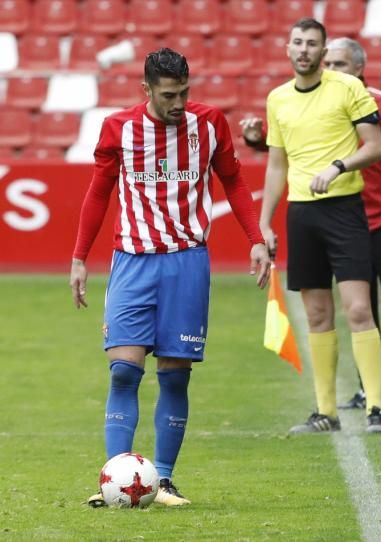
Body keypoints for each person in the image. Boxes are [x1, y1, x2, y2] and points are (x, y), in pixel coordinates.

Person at [70, 48, 271, 507]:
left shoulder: (210, 124)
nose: (178, 102)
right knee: (124, 371)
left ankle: (164, 481)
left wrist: (255, 238)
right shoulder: (119, 128)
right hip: (133, 260)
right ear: (147, 91)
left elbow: (234, 182)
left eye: (184, 92)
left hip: (187, 261)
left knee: (174, 377)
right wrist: (80, 256)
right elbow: (99, 192)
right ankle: (117, 480)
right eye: (168, 95)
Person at [242, 37, 381, 411]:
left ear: (359, 70)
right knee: (359, 307)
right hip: (339, 219)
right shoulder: (313, 100)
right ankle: (364, 391)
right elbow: (299, 150)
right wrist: (259, 143)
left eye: (340, 64)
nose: (332, 70)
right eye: (330, 63)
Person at [257, 18, 381, 434]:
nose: (304, 50)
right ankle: (326, 412)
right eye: (297, 42)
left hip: (344, 209)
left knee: (358, 308)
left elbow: (376, 146)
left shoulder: (348, 88)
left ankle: (375, 408)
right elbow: (277, 164)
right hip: (302, 213)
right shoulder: (277, 99)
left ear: (322, 49)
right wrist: (263, 223)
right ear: (287, 48)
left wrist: (338, 166)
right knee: (316, 314)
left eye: (312, 44)